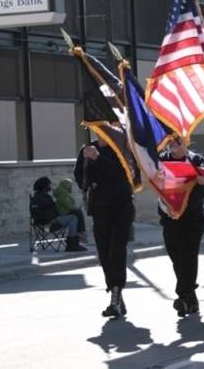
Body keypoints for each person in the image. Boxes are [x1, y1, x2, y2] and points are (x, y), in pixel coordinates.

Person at [74, 137, 136, 319]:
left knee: (117, 251)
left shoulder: (121, 146)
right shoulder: (88, 148)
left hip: (121, 207)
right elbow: (80, 176)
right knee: (104, 253)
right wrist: (88, 180)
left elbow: (122, 173)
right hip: (99, 208)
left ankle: (116, 295)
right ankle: (115, 292)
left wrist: (98, 159)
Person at [158, 136, 204, 318]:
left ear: (186, 142)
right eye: (170, 143)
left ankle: (182, 295)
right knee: (177, 259)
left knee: (188, 256)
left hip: (192, 219)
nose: (173, 146)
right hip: (169, 218)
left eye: (177, 142)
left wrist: (202, 180)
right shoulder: (162, 160)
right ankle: (191, 298)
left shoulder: (196, 160)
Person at [31, 176, 87, 252]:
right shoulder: (39, 198)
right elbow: (40, 214)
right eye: (49, 185)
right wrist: (54, 216)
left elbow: (53, 209)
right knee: (73, 218)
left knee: (75, 214)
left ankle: (75, 243)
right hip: (47, 224)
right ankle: (73, 244)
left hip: (51, 220)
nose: (50, 186)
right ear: (44, 186)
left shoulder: (44, 196)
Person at [53, 178, 88, 243]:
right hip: (63, 212)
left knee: (78, 213)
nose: (71, 187)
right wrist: (76, 208)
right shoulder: (62, 193)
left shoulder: (64, 192)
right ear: (66, 185)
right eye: (70, 185)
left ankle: (81, 234)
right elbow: (68, 205)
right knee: (78, 213)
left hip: (66, 211)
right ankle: (81, 234)